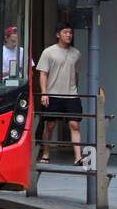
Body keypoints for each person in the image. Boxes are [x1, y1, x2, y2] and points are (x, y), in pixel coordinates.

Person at [36, 23, 84, 165]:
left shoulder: (76, 53)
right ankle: (45, 153)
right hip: (53, 94)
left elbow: (76, 74)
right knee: (49, 126)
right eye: (65, 32)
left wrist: (76, 91)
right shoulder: (48, 52)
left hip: (71, 95)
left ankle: (78, 157)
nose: (69, 35)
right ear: (58, 35)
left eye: (70, 32)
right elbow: (43, 74)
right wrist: (44, 94)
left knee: (74, 125)